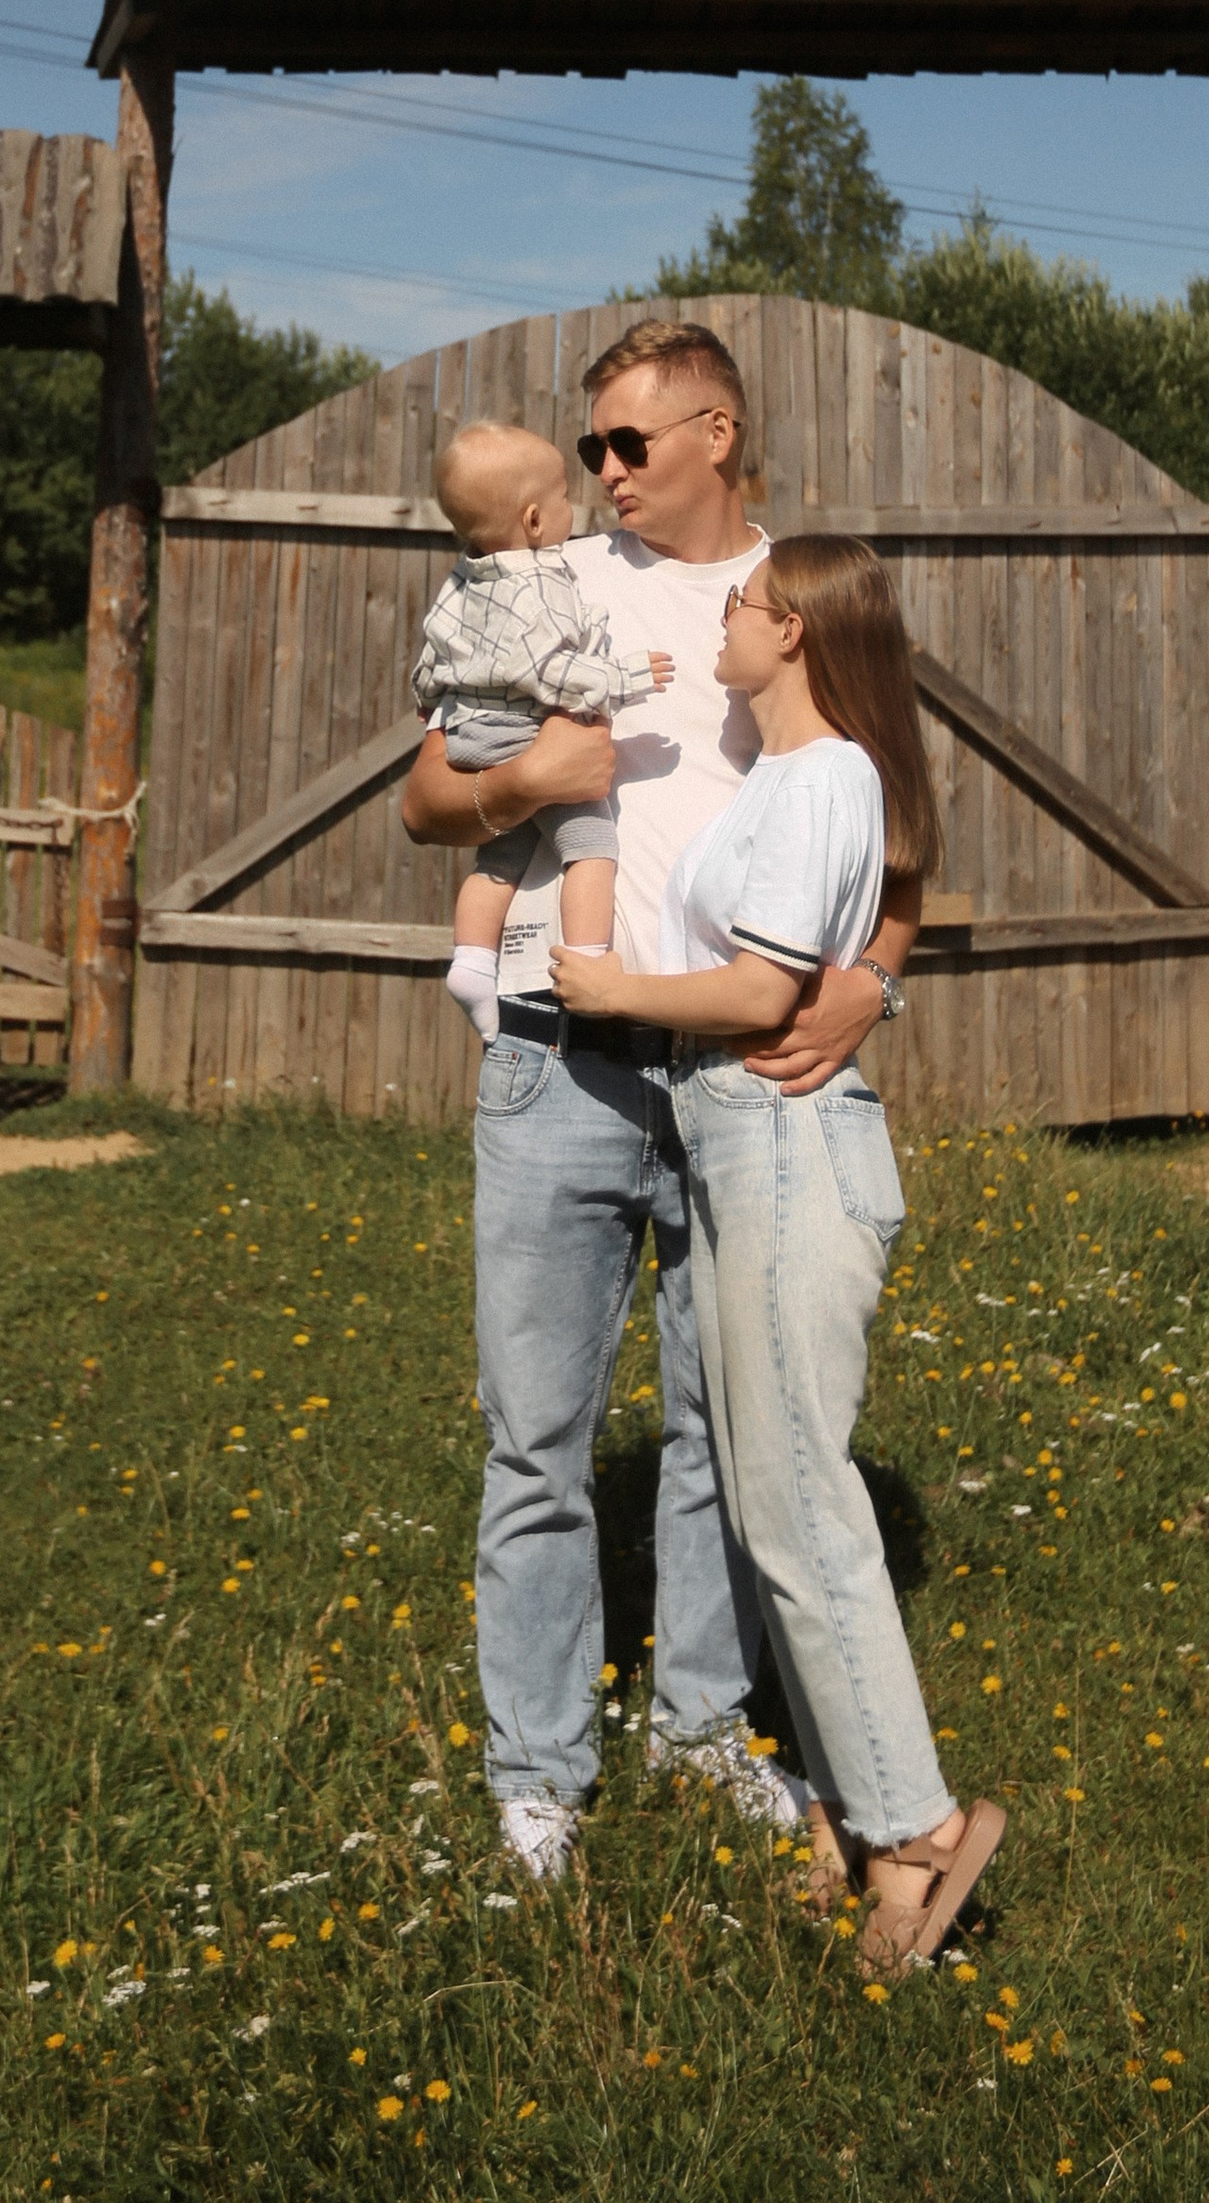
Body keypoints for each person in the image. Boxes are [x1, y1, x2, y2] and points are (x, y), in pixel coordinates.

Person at [399, 319, 925, 1884]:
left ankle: (702, 1732)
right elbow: (430, 796)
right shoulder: (549, 582)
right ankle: (539, 1770)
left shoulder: (803, 600)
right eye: (590, 451)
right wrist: (526, 790)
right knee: (537, 1434)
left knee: (714, 1429)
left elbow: (903, 823)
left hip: (732, 1080)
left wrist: (873, 978)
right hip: (557, 1062)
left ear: (715, 431)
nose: (601, 475)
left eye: (629, 445)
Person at [550, 533, 1007, 1968]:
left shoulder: (828, 778)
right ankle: (858, 1817)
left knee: (802, 1509)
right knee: (771, 1508)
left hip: (784, 1147)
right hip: (743, 1140)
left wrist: (616, 986)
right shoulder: (794, 780)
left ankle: (921, 1832)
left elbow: (760, 986)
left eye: (746, 606)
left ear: (796, 631)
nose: (730, 624)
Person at [410, 418, 675, 1043]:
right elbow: (548, 670)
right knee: (591, 845)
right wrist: (622, 677)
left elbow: (431, 663)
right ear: (533, 521)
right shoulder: (544, 579)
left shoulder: (465, 576)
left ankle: (473, 960)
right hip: (521, 734)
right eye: (562, 496)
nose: (582, 496)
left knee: (500, 857)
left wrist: (436, 706)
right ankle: (585, 963)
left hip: (472, 731)